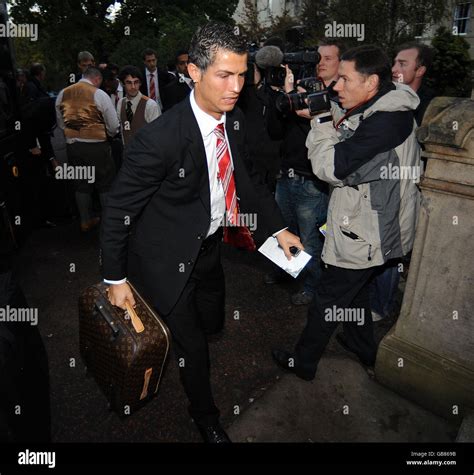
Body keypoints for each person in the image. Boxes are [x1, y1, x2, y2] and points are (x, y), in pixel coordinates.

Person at [101, 22, 302, 443]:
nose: (236, 86)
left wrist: (278, 227)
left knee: (211, 320)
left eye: (242, 74)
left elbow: (246, 181)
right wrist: (115, 279)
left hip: (210, 250)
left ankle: (190, 338)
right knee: (196, 349)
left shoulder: (234, 120)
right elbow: (119, 208)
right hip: (164, 260)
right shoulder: (159, 139)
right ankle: (206, 417)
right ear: (194, 71)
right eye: (224, 75)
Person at [272, 45, 421, 380]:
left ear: (370, 83)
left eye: (344, 79)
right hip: (374, 231)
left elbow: (331, 167)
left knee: (327, 299)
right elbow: (353, 133)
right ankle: (363, 347)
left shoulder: (387, 124)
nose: (336, 87)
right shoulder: (385, 105)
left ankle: (304, 363)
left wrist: (321, 119)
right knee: (356, 292)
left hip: (367, 234)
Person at [55, 67, 119, 232]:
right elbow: (113, 125)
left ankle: (85, 221)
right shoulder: (99, 94)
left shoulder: (62, 93)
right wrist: (109, 135)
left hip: (73, 146)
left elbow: (61, 123)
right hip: (97, 146)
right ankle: (109, 224)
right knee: (105, 184)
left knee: (81, 184)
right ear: (97, 79)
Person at [117, 65, 160, 148]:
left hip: (146, 153)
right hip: (127, 154)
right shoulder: (120, 103)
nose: (133, 87)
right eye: (129, 82)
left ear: (140, 83)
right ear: (122, 84)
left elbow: (156, 133)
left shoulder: (150, 105)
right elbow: (123, 131)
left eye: (136, 82)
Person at [392, 42, 434, 126]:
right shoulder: (382, 94)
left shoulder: (431, 107)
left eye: (402, 64)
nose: (393, 69)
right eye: (394, 63)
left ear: (420, 71)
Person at [139, 48, 172, 112]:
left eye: (153, 60)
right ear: (144, 62)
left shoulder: (164, 75)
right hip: (146, 111)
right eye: (149, 61)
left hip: (162, 110)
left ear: (156, 60)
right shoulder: (140, 76)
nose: (152, 63)